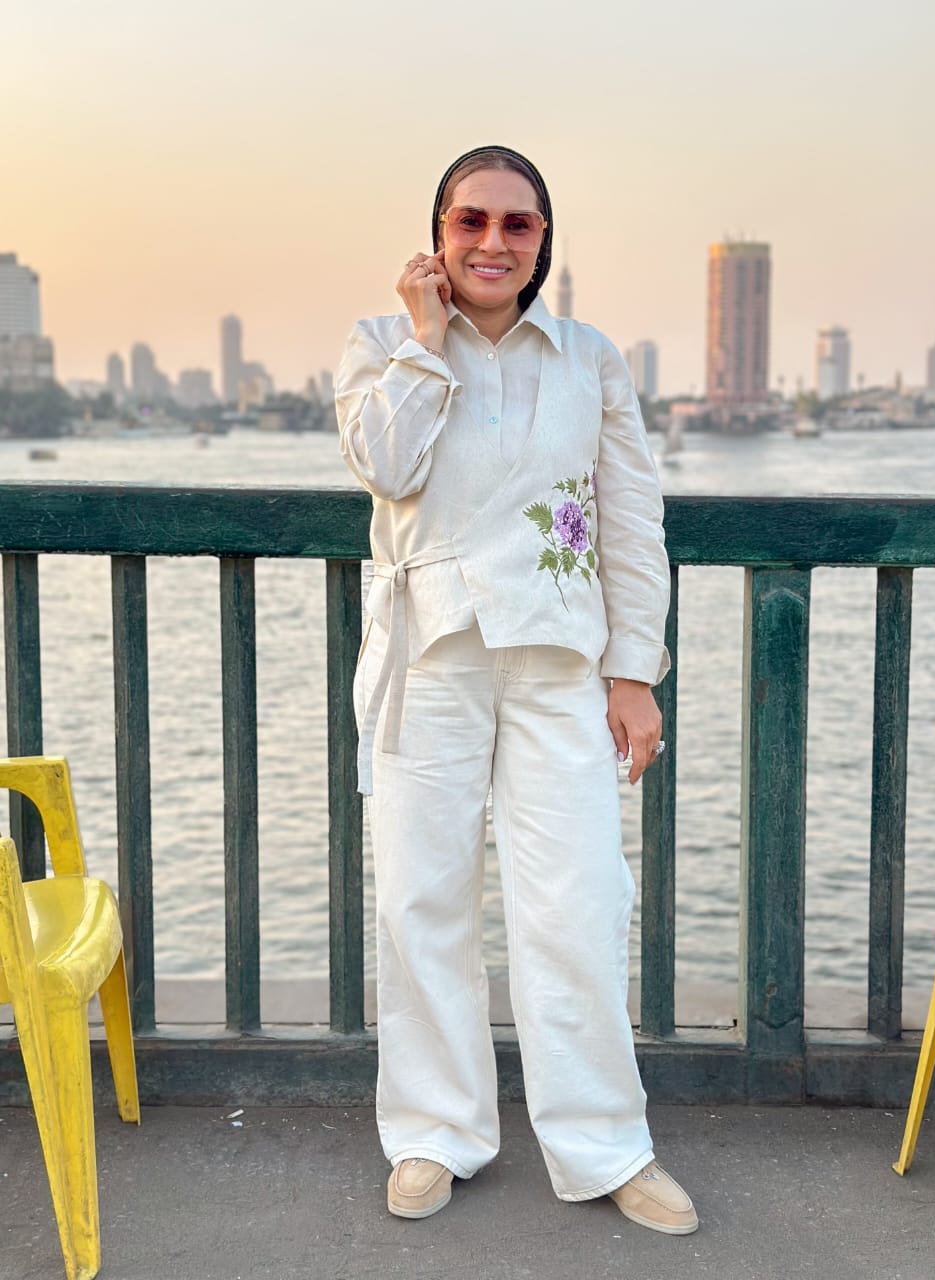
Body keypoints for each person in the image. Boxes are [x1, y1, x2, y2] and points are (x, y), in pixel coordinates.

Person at [335, 145, 697, 1235]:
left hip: (556, 662)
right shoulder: (378, 348)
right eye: (471, 221)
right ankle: (433, 1130)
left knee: (579, 903)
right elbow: (386, 466)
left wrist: (632, 669)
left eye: (517, 225)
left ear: (544, 239)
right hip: (428, 655)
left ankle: (603, 1143)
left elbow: (630, 516)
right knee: (419, 897)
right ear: (437, 232)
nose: (493, 242)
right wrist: (424, 338)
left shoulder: (588, 357)